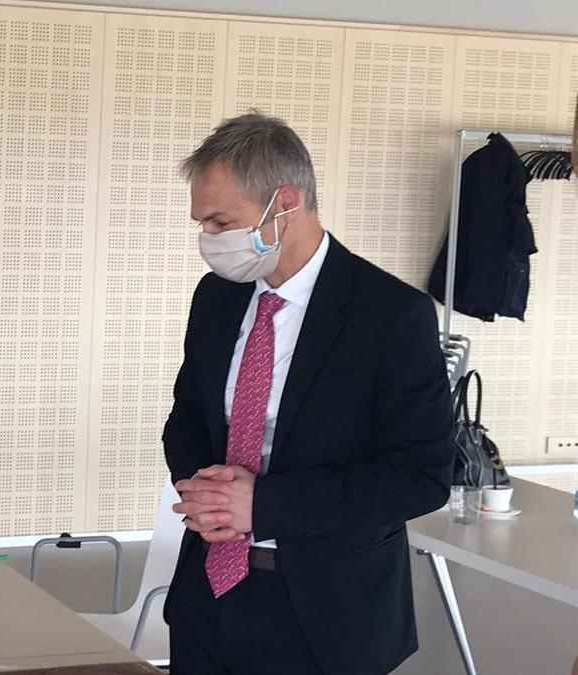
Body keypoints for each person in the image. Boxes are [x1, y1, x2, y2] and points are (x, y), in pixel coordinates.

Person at [162, 113, 453, 674]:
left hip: (329, 617)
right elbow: (188, 415)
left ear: (285, 203)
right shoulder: (217, 298)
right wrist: (203, 488)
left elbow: (420, 477)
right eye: (203, 224)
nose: (209, 240)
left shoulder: (391, 317)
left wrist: (261, 506)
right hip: (207, 598)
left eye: (221, 222)